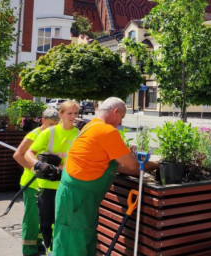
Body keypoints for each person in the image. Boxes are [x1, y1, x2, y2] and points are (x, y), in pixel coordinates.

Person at [52, 97, 158, 256]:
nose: (120, 123)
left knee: (81, 240)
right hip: (77, 199)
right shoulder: (106, 131)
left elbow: (118, 165)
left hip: (78, 197)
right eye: (121, 118)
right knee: (71, 244)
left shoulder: (91, 126)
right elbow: (133, 166)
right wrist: (158, 165)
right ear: (115, 112)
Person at [24, 100, 80, 254]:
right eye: (69, 113)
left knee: (64, 223)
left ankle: (56, 251)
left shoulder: (79, 134)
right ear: (60, 114)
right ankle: (49, 248)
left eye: (76, 113)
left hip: (68, 185)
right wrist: (38, 165)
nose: (73, 116)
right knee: (46, 223)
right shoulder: (49, 132)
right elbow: (29, 153)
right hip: (48, 186)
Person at [13, 107, 59, 256]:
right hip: (32, 183)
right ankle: (28, 250)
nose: (54, 127)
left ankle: (38, 244)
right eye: (51, 124)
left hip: (46, 184)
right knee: (32, 218)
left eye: (57, 124)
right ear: (43, 121)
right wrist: (36, 170)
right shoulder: (35, 134)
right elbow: (18, 155)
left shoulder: (55, 134)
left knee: (43, 217)